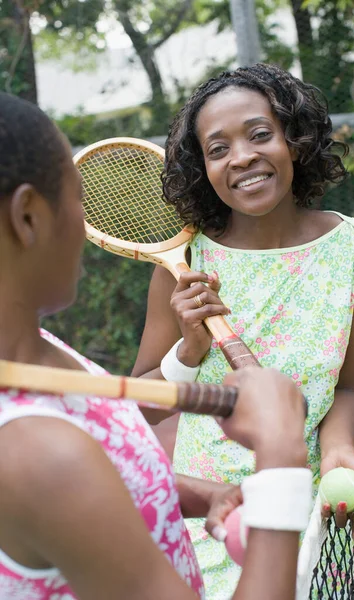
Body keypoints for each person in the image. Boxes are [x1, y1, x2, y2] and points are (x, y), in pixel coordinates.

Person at [0, 91, 314, 600]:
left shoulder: (32, 348)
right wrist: (280, 457)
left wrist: (199, 493)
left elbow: (111, 459)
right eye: (77, 196)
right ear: (29, 217)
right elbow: (71, 477)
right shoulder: (39, 455)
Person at [132, 63, 354, 598]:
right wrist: (190, 349)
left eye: (259, 135)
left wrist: (340, 445)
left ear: (294, 141)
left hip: (305, 516)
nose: (243, 157)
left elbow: (347, 387)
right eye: (218, 148)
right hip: (209, 522)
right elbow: (139, 407)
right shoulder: (183, 264)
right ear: (203, 168)